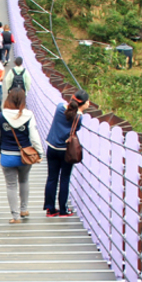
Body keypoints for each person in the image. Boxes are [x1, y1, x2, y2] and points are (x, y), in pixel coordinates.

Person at [0, 87, 43, 224]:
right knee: (24, 181)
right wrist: (40, 152)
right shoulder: (29, 115)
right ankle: (24, 209)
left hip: (7, 156)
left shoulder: (0, 116)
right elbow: (34, 136)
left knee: (11, 185)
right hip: (25, 156)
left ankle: (15, 216)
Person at [44, 89, 90, 217]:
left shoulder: (59, 108)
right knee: (64, 179)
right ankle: (63, 210)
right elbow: (76, 127)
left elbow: (67, 108)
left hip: (52, 147)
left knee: (52, 178)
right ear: (83, 104)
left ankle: (50, 209)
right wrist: (81, 110)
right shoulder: (78, 117)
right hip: (66, 151)